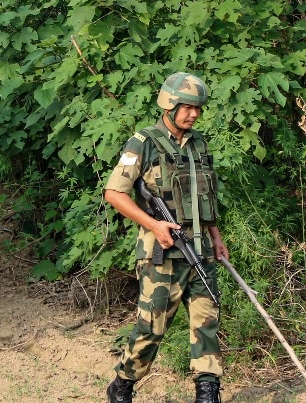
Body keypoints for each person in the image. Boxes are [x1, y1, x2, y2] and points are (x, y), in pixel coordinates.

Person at [103, 72, 227, 403]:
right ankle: (123, 384)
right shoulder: (143, 143)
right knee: (151, 329)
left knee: (207, 323)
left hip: (200, 250)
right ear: (169, 105)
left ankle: (208, 393)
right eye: (188, 107)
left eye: (198, 108)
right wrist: (154, 225)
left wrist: (216, 235)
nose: (195, 114)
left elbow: (205, 198)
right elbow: (115, 193)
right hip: (162, 254)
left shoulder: (199, 144)